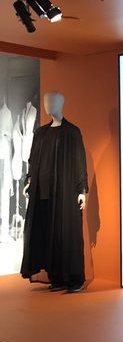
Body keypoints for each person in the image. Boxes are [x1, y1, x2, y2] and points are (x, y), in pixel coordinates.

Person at [21, 92, 88, 293]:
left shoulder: (72, 132)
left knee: (65, 234)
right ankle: (56, 276)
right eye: (46, 101)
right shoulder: (41, 133)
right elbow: (33, 160)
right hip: (42, 192)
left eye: (53, 101)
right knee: (47, 234)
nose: (48, 105)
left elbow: (79, 162)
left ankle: (73, 278)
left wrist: (82, 189)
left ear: (62, 103)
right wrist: (29, 180)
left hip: (64, 192)